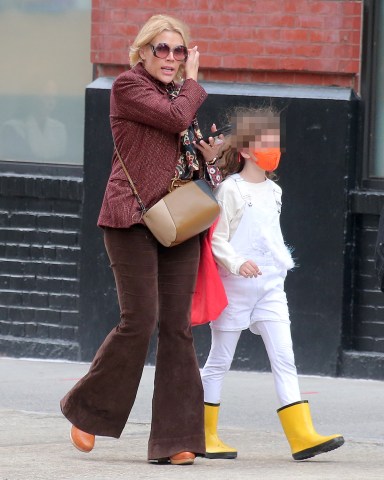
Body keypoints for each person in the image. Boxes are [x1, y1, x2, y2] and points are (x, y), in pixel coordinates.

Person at [60, 14, 223, 466]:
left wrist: (211, 159)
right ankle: (86, 411)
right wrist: (194, 81)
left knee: (177, 326)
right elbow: (174, 117)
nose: (171, 58)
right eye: (162, 49)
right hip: (131, 218)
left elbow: (185, 146)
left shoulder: (182, 99)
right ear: (143, 53)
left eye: (179, 50)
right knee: (141, 319)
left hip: (179, 221)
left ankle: (176, 439)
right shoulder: (128, 89)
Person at [200, 106, 345, 461]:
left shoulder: (274, 191)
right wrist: (236, 262)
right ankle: (203, 433)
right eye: (266, 143)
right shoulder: (230, 190)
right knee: (220, 359)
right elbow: (217, 238)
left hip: (270, 287)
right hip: (235, 286)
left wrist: (275, 268)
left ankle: (301, 436)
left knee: (285, 358)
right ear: (246, 150)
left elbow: (271, 235)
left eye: (276, 142)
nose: (273, 148)